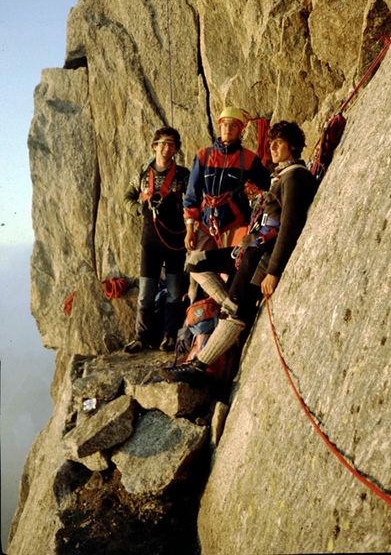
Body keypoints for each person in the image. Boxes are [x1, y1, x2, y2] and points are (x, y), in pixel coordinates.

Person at [160, 120, 317, 383]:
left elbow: (289, 227)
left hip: (260, 259)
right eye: (271, 142)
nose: (273, 147)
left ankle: (199, 366)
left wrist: (274, 271)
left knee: (234, 309)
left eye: (279, 143)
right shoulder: (281, 175)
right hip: (249, 250)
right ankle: (228, 308)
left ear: (293, 146)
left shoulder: (295, 176)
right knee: (196, 262)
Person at [183, 106, 271, 302]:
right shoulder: (203, 156)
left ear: (240, 131)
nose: (228, 129)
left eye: (233, 126)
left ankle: (228, 302)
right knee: (193, 268)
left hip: (234, 222)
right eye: (225, 125)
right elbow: (192, 193)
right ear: (219, 127)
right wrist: (190, 228)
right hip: (207, 224)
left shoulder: (247, 159)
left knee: (235, 266)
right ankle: (219, 303)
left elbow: (267, 183)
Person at [124, 127, 190, 352]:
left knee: (174, 291)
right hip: (150, 239)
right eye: (162, 143)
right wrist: (138, 209)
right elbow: (128, 196)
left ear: (176, 149)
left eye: (171, 144)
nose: (166, 148)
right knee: (145, 292)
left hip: (175, 240)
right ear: (154, 146)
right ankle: (141, 337)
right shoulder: (142, 171)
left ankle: (169, 336)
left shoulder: (183, 174)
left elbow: (192, 200)